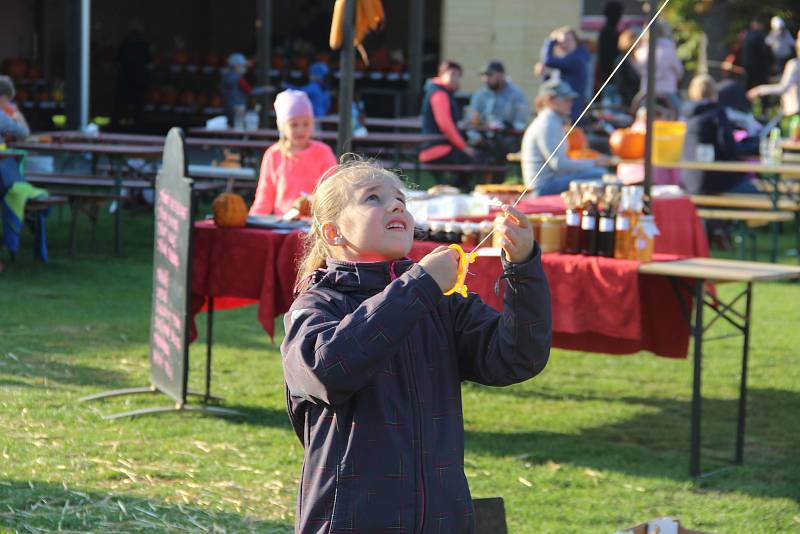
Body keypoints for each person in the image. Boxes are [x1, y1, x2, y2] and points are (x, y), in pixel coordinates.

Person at [281, 160, 551, 532]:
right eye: (373, 198)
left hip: (442, 519)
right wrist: (419, 285)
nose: (396, 206)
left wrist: (522, 268)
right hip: (351, 519)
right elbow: (328, 370)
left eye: (400, 199)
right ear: (333, 232)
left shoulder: (439, 304)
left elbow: (518, 357)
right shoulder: (316, 306)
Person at [249, 89, 337, 217]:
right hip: (282, 224)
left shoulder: (323, 152)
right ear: (282, 126)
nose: (300, 130)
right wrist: (254, 220)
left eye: (306, 124)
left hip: (315, 225)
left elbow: (332, 191)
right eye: (294, 125)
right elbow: (264, 196)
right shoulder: (273, 155)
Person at [521, 79, 612, 196]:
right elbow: (558, 164)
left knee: (599, 175)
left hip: (550, 183)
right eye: (566, 99)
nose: (570, 103)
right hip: (543, 188)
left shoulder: (551, 121)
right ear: (550, 100)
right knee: (601, 175)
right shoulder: (547, 123)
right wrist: (594, 162)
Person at [681, 74, 758, 194]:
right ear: (714, 92)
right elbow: (729, 149)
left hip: (689, 182)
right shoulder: (716, 114)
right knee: (759, 195)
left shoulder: (686, 116)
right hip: (713, 181)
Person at [419, 60, 477, 165]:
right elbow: (445, 124)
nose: (455, 79)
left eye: (458, 76)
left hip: (438, 148)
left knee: (475, 157)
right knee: (478, 158)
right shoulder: (439, 93)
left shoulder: (441, 91)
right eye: (452, 74)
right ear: (441, 74)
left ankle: (458, 182)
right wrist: (464, 147)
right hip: (436, 150)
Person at [535, 27, 590, 122]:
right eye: (560, 42)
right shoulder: (561, 61)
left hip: (571, 112)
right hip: (557, 111)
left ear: (576, 42)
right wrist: (544, 73)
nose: (564, 44)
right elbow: (551, 87)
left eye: (568, 40)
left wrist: (550, 42)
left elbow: (547, 60)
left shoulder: (577, 59)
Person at [747, 31, 800, 120]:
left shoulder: (794, 64)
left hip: (795, 111)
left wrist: (758, 90)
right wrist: (776, 78)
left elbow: (783, 87)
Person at [632, 22, 683, 114]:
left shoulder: (640, 52)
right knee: (679, 115)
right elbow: (679, 73)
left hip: (645, 93)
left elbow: (638, 72)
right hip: (668, 92)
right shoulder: (670, 51)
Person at [468, 60, 531, 130]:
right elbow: (471, 120)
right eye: (483, 75)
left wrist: (506, 126)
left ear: (501, 75)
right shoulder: (479, 95)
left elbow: (521, 123)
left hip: (508, 137)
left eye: (490, 75)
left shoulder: (516, 95)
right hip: (483, 137)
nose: (485, 79)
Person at [111, 21, 150, 131]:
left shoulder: (142, 46)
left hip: (135, 81)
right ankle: (116, 128)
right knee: (120, 108)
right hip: (128, 81)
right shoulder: (127, 45)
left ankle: (137, 129)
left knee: (137, 109)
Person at [221, 52, 268, 126]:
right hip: (238, 109)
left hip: (228, 108)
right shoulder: (238, 79)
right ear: (237, 66)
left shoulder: (225, 77)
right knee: (238, 128)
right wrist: (265, 89)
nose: (245, 69)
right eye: (243, 66)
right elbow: (250, 91)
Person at [595, 1, 624, 91]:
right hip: (610, 76)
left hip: (610, 75)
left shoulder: (611, 31)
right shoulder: (608, 32)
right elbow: (609, 56)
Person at [740, 19, 773, 89]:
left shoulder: (747, 35)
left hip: (747, 66)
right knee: (763, 86)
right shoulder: (759, 36)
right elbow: (764, 52)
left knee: (748, 86)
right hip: (759, 67)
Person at [0, 76, 30, 143]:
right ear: (2, 98)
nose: (7, 104)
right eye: (7, 100)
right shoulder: (1, 117)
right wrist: (19, 117)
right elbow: (24, 134)